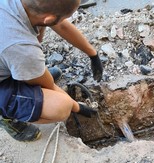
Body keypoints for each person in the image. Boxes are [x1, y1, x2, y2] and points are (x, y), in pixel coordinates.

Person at [0, 0, 103, 141]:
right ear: (48, 18)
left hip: (10, 56)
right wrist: (78, 107)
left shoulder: (27, 7)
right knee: (62, 106)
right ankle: (5, 115)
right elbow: (49, 86)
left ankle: (30, 74)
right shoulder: (20, 46)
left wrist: (93, 54)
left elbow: (59, 25)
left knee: (40, 32)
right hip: (6, 73)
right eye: (65, 17)